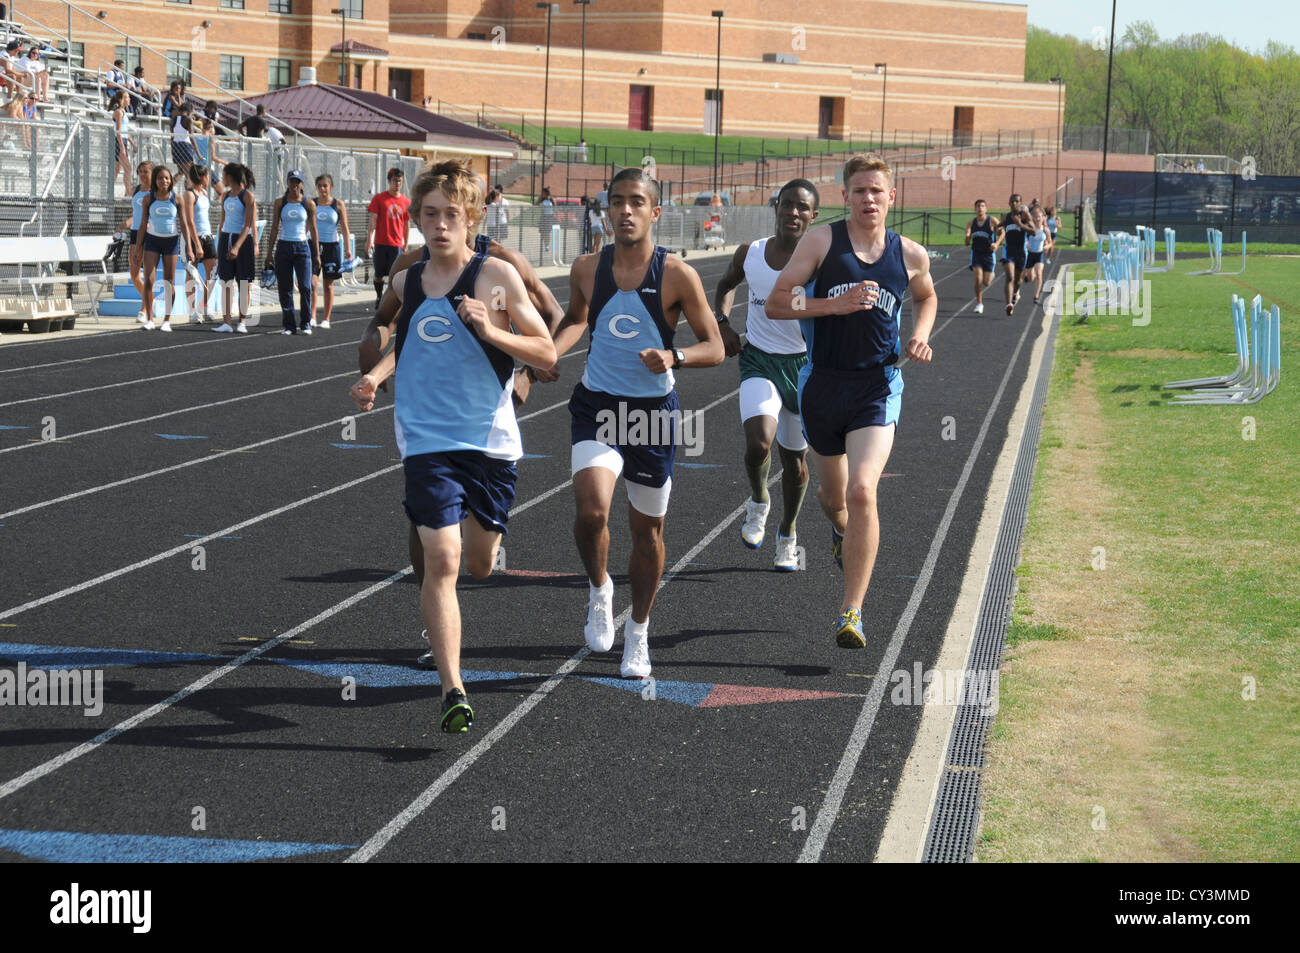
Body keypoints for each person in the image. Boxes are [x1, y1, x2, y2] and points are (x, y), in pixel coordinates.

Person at [347, 160, 556, 733]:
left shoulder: (496, 277)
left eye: (452, 216)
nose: (440, 225)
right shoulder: (406, 280)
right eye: (431, 215)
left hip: (488, 443)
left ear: (472, 219)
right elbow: (405, 335)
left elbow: (546, 353)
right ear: (416, 218)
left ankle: (462, 555)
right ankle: (452, 689)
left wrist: (491, 330)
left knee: (480, 564)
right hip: (426, 438)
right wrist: (375, 375)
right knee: (443, 560)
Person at [538, 167, 724, 678]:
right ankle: (600, 589)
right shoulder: (586, 267)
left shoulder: (676, 274)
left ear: (654, 212)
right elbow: (577, 319)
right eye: (617, 201)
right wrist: (548, 355)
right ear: (606, 210)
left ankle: (638, 632)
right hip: (597, 406)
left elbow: (715, 345)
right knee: (592, 511)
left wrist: (676, 357)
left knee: (647, 531)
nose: (625, 210)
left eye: (636, 202)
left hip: (651, 417)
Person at [765, 153, 936, 648]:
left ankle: (852, 611)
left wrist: (920, 335)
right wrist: (831, 305)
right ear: (845, 196)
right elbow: (778, 302)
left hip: (877, 387)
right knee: (833, 499)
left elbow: (927, 297)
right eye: (859, 190)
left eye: (876, 191)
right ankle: (841, 533)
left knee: (863, 491)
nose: (868, 199)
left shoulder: (910, 254)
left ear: (891, 197)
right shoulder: (822, 242)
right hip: (822, 385)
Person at [712, 178, 818, 570]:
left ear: (813, 215)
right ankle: (758, 500)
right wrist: (722, 323)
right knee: (759, 444)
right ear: (777, 207)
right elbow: (725, 285)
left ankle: (787, 534)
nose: (793, 212)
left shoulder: (820, 261)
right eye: (787, 204)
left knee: (796, 464)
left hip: (804, 368)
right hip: (759, 360)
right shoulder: (751, 253)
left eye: (802, 207)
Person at [263, 169, 320, 335]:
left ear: (302, 184)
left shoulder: (308, 204)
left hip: (302, 247)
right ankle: (289, 325)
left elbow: (314, 229)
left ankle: (306, 323)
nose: (294, 185)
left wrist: (317, 254)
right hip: (284, 246)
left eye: (297, 182)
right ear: (287, 183)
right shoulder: (280, 203)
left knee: (305, 286)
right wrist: (269, 253)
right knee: (285, 288)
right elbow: (274, 227)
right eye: (292, 181)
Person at [134, 164, 186, 332]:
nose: (163, 181)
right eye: (160, 178)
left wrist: (190, 248)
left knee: (169, 282)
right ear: (155, 181)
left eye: (166, 178)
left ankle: (166, 321)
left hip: (171, 243)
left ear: (170, 180)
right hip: (152, 242)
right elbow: (143, 224)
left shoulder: (177, 199)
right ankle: (150, 319)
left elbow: (184, 224)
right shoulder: (148, 199)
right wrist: (138, 248)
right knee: (149, 280)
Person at [213, 162, 257, 333]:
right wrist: (220, 246)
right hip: (226, 238)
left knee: (244, 283)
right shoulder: (225, 196)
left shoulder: (247, 196)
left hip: (243, 241)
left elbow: (247, 225)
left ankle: (242, 322)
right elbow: (222, 222)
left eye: (223, 175)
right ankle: (226, 322)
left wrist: (237, 246)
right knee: (225, 282)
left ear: (230, 177)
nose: (222, 179)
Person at [365, 167, 410, 309]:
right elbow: (373, 220)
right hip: (380, 243)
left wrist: (405, 243)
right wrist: (369, 240)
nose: (397, 184)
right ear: (389, 181)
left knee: (395, 275)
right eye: (395, 181)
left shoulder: (405, 202)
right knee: (379, 274)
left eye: (400, 181)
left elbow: (406, 224)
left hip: (396, 244)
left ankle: (391, 302)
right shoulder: (379, 199)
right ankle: (379, 296)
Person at [180, 164, 219, 323]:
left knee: (213, 272)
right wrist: (197, 244)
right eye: (208, 176)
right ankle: (192, 312)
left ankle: (203, 306)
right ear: (203, 177)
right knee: (191, 274)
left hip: (207, 235)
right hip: (192, 238)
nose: (209, 179)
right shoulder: (189, 195)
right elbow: (189, 221)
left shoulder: (204, 193)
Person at [312, 173, 350, 330]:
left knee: (328, 284)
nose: (322, 189)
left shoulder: (338, 204)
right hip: (314, 246)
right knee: (312, 283)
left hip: (332, 247)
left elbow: (345, 228)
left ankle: (326, 318)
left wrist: (348, 250)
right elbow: (306, 225)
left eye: (325, 186)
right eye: (319, 186)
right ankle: (312, 316)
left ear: (331, 187)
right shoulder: (312, 203)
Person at [120, 160, 154, 311]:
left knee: (147, 273)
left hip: (149, 233)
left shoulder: (156, 192)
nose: (142, 174)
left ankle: (145, 309)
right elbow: (136, 214)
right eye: (140, 171)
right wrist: (124, 225)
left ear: (152, 173)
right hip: (135, 232)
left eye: (146, 171)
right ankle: (149, 300)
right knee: (134, 275)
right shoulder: (136, 190)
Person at [996, 193, 1031, 315]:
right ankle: (1009, 304)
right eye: (1012, 201)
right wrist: (998, 230)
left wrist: (1020, 224)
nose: (1014, 203)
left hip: (1021, 252)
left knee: (1018, 280)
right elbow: (997, 228)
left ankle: (1015, 293)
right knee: (1010, 277)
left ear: (1020, 203)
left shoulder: (1024, 215)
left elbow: (1034, 231)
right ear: (1009, 203)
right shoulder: (1006, 217)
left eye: (1017, 201)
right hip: (1008, 251)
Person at [963, 198, 999, 315]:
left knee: (987, 283)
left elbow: (1003, 232)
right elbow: (967, 242)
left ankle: (991, 275)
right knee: (978, 278)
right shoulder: (971, 223)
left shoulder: (992, 221)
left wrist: (997, 243)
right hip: (976, 254)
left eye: (982, 206)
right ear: (975, 209)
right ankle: (979, 303)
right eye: (978, 206)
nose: (980, 208)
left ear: (986, 209)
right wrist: (967, 236)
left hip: (989, 255)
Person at [1023, 206, 1051, 305]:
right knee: (1031, 278)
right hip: (1031, 255)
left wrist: (1047, 246)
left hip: (1040, 254)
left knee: (1039, 273)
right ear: (1033, 218)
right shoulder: (1030, 228)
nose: (1037, 219)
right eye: (1035, 217)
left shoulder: (1046, 230)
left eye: (1039, 217)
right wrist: (1026, 244)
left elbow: (1050, 243)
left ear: (1043, 218)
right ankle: (1028, 275)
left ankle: (1036, 296)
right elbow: (1024, 239)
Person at [109, 90, 133, 198]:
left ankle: (109, 190)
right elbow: (118, 131)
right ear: (121, 99)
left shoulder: (124, 112)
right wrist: (122, 148)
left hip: (124, 141)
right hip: (119, 142)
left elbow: (125, 131)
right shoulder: (119, 112)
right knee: (128, 168)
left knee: (117, 169)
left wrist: (133, 143)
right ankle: (128, 192)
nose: (129, 99)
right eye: (127, 97)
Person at [170, 101, 195, 177]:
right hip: (185, 146)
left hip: (175, 145)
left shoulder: (173, 119)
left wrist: (173, 147)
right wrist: (198, 153)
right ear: (189, 111)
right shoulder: (188, 119)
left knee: (181, 172)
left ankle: (170, 185)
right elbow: (191, 137)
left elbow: (172, 136)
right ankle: (189, 186)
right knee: (189, 172)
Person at [538, 186, 555, 257]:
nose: (542, 193)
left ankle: (547, 245)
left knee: (547, 232)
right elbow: (536, 204)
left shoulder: (552, 199)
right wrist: (541, 197)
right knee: (543, 232)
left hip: (549, 217)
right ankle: (543, 244)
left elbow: (555, 207)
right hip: (543, 216)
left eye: (543, 192)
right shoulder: (542, 199)